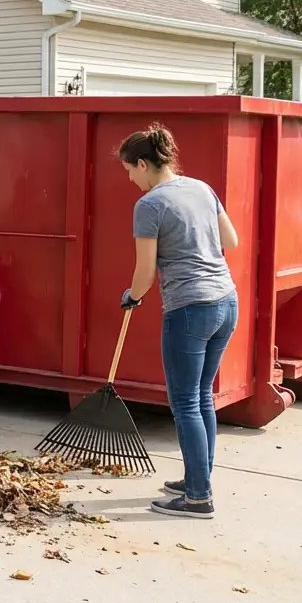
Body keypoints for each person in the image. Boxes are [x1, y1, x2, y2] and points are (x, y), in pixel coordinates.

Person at [118, 123, 239, 520]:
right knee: (202, 396)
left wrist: (132, 297)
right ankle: (196, 479)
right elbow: (231, 240)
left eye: (130, 171)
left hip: (189, 309)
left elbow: (145, 271)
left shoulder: (150, 205)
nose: (131, 180)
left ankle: (198, 498)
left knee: (186, 401)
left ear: (142, 163)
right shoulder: (201, 188)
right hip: (226, 301)